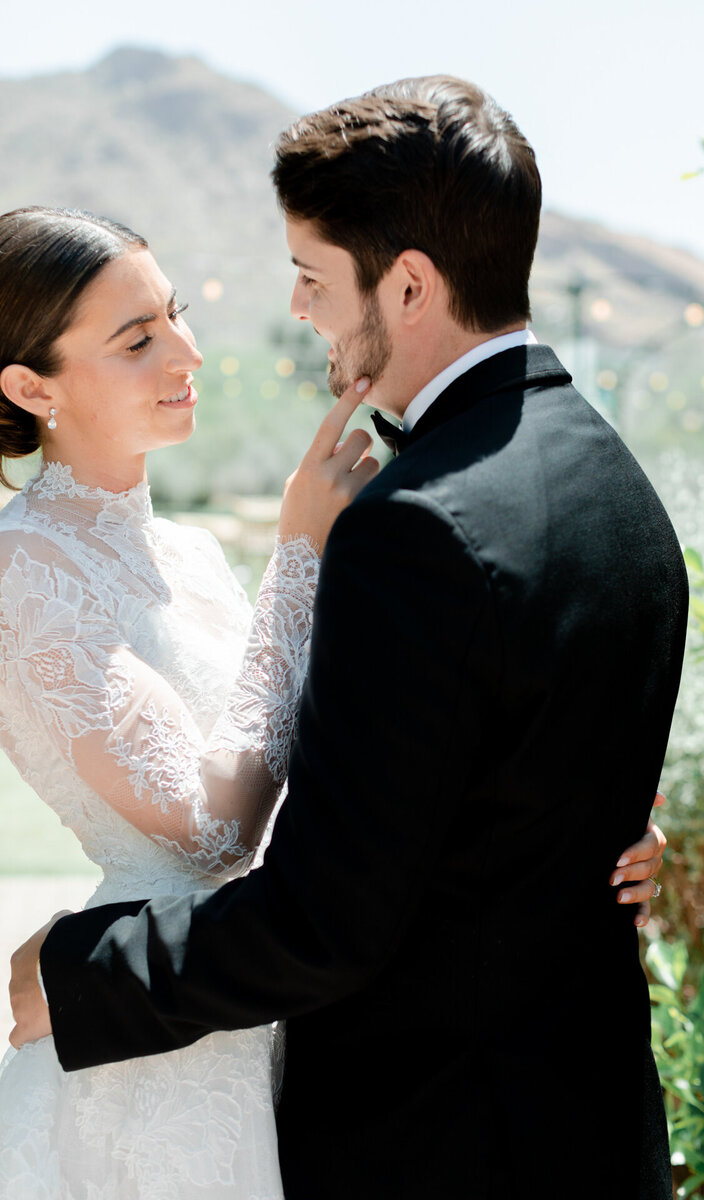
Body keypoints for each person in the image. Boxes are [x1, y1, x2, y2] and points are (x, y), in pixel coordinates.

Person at [8, 76, 687, 1200]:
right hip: (569, 1118)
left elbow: (330, 915)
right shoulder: (610, 480)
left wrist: (83, 978)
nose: (291, 313)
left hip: (438, 1134)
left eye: (313, 280)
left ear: (408, 283)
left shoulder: (416, 527)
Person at [0, 204, 381, 1198]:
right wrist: (299, 556)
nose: (190, 352)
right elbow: (212, 834)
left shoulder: (193, 553)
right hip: (139, 1041)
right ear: (33, 387)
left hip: (256, 1004)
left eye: (175, 316)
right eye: (140, 339)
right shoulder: (21, 570)